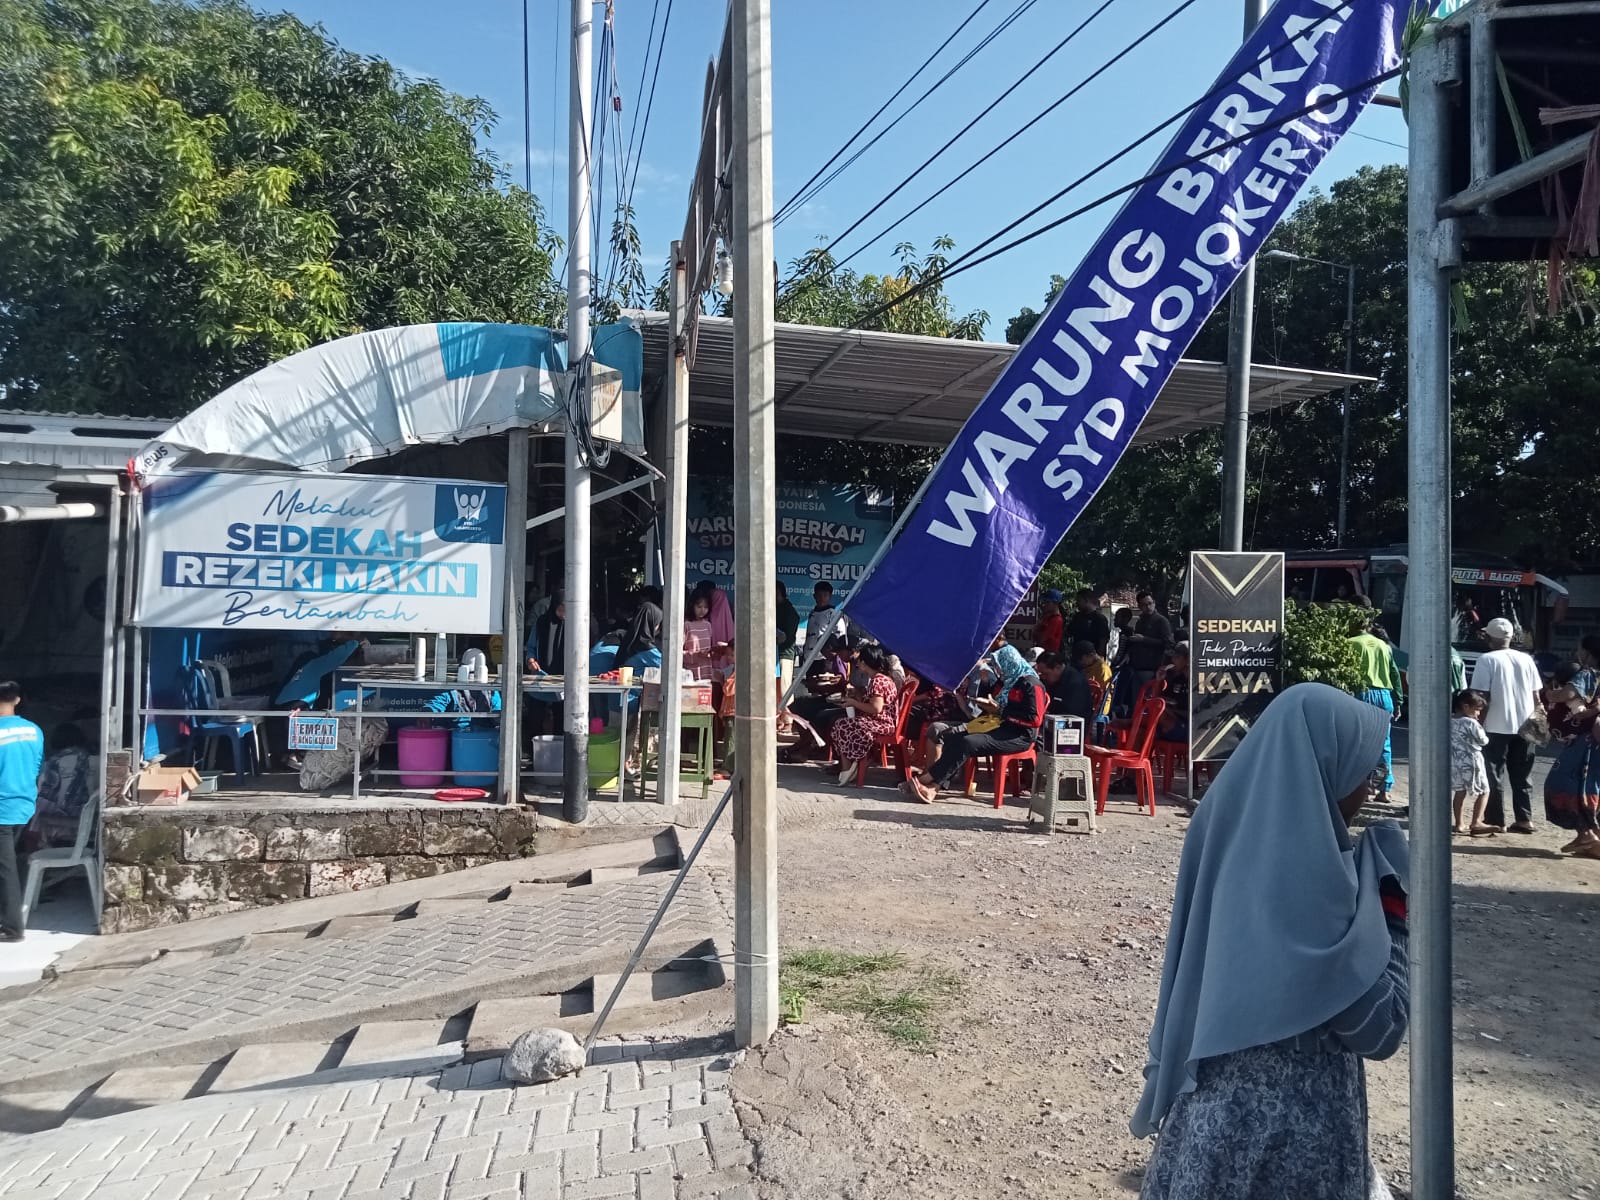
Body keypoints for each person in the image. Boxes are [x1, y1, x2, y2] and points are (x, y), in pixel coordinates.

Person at [1132, 684, 1408, 1200]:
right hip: (1290, 1132)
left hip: (1208, 1121)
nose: (1367, 792)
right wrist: (1393, 910)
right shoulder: (1312, 884)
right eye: (1361, 773)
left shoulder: (1225, 839)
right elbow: (1378, 1028)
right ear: (1323, 768)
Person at [905, 640, 1045, 804]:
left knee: (967, 742)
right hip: (999, 725)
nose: (998, 671)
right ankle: (933, 785)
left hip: (1019, 735)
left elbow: (1034, 719)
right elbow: (993, 700)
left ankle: (929, 782)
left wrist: (1001, 711)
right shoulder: (1009, 681)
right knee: (954, 736)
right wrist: (986, 692)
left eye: (1000, 666)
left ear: (1010, 663)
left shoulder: (1031, 684)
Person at [1471, 616, 1543, 834]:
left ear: (1490, 637)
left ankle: (1496, 819)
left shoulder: (1487, 660)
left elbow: (1481, 697)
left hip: (1495, 725)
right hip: (1526, 724)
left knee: (1493, 774)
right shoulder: (1527, 659)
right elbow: (1536, 696)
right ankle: (1524, 819)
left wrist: (1477, 724)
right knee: (1523, 774)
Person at [0, 681, 45, 942]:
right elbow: (38, 766)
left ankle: (13, 927)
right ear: (17, 699)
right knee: (10, 862)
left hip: (2, 807)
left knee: (5, 869)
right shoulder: (34, 730)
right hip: (25, 805)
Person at [1348, 610, 1404, 802]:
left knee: (1358, 742)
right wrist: (1398, 702)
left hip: (1361, 693)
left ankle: (1359, 788)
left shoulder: (1350, 644)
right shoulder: (1384, 646)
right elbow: (1394, 674)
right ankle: (1384, 790)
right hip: (1384, 695)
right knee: (1384, 744)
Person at [826, 645, 902, 784]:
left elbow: (876, 708)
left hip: (883, 723)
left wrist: (853, 703)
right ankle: (850, 764)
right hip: (884, 720)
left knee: (840, 725)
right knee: (842, 722)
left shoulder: (878, 681)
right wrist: (857, 696)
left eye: (860, 661)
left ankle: (848, 766)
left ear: (864, 663)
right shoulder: (883, 678)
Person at [1543, 690, 1600, 859]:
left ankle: (1586, 834)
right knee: (1586, 791)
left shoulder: (1584, 686)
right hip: (1584, 748)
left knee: (1566, 789)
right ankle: (1594, 842)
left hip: (1586, 750)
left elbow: (1563, 695)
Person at [30, 722, 93, 849]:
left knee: (32, 812)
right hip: (90, 816)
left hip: (62, 818)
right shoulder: (95, 760)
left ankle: (32, 858)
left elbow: (42, 796)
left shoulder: (52, 764)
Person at [1450, 690, 1494, 837]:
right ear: (1466, 706)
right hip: (1472, 761)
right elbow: (1483, 740)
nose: (1478, 714)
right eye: (1477, 710)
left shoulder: (1450, 721)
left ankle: (1459, 823)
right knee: (1484, 790)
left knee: (1459, 792)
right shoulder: (1471, 723)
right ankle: (1476, 821)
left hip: (1455, 761)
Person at [1126, 592, 1174, 690]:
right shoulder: (1140, 620)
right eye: (1144, 605)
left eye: (1150, 603)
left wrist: (1144, 639)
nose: (1148, 607)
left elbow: (1168, 644)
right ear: (1139, 606)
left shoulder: (1161, 621)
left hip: (1153, 669)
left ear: (1154, 603)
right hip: (1137, 668)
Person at [615, 586, 665, 670]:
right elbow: (669, 667)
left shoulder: (629, 643)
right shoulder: (647, 650)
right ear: (650, 623)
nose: (659, 628)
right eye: (658, 623)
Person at [1037, 651, 1093, 724]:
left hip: (1071, 726)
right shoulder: (1052, 680)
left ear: (1058, 667)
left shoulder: (1075, 683)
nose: (1043, 677)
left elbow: (1073, 713)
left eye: (1045, 674)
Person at [802, 581, 847, 658]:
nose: (822, 598)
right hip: (809, 657)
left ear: (830, 596)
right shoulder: (812, 614)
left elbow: (841, 636)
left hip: (823, 658)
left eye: (825, 595)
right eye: (819, 595)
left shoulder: (834, 615)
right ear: (814, 596)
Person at [1157, 643, 1191, 743]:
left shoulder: (1198, 682)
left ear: (1188, 659)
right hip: (1170, 724)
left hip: (1189, 729)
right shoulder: (1177, 679)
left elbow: (1197, 714)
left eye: (1177, 657)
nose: (1172, 660)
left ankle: (1129, 722)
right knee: (1141, 733)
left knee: (1159, 715)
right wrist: (1159, 680)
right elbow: (1158, 700)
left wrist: (1172, 712)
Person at [1066, 589, 1112, 658]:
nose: (1077, 603)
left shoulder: (1099, 619)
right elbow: (1069, 632)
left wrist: (1099, 660)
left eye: (1079, 600)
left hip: (1092, 660)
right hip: (1077, 658)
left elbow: (1103, 641)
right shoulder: (1077, 617)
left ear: (1087, 600)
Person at [1033, 590, 1065, 654]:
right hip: (1043, 652)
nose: (1045, 605)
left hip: (1050, 655)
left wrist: (1037, 629)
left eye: (1048, 602)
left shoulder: (1056, 619)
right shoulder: (1047, 618)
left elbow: (1042, 639)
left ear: (1055, 604)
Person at [776, 582, 801, 662]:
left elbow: (786, 636)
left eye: (776, 593)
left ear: (782, 594)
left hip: (785, 654)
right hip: (772, 653)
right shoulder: (772, 608)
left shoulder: (788, 610)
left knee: (785, 674)